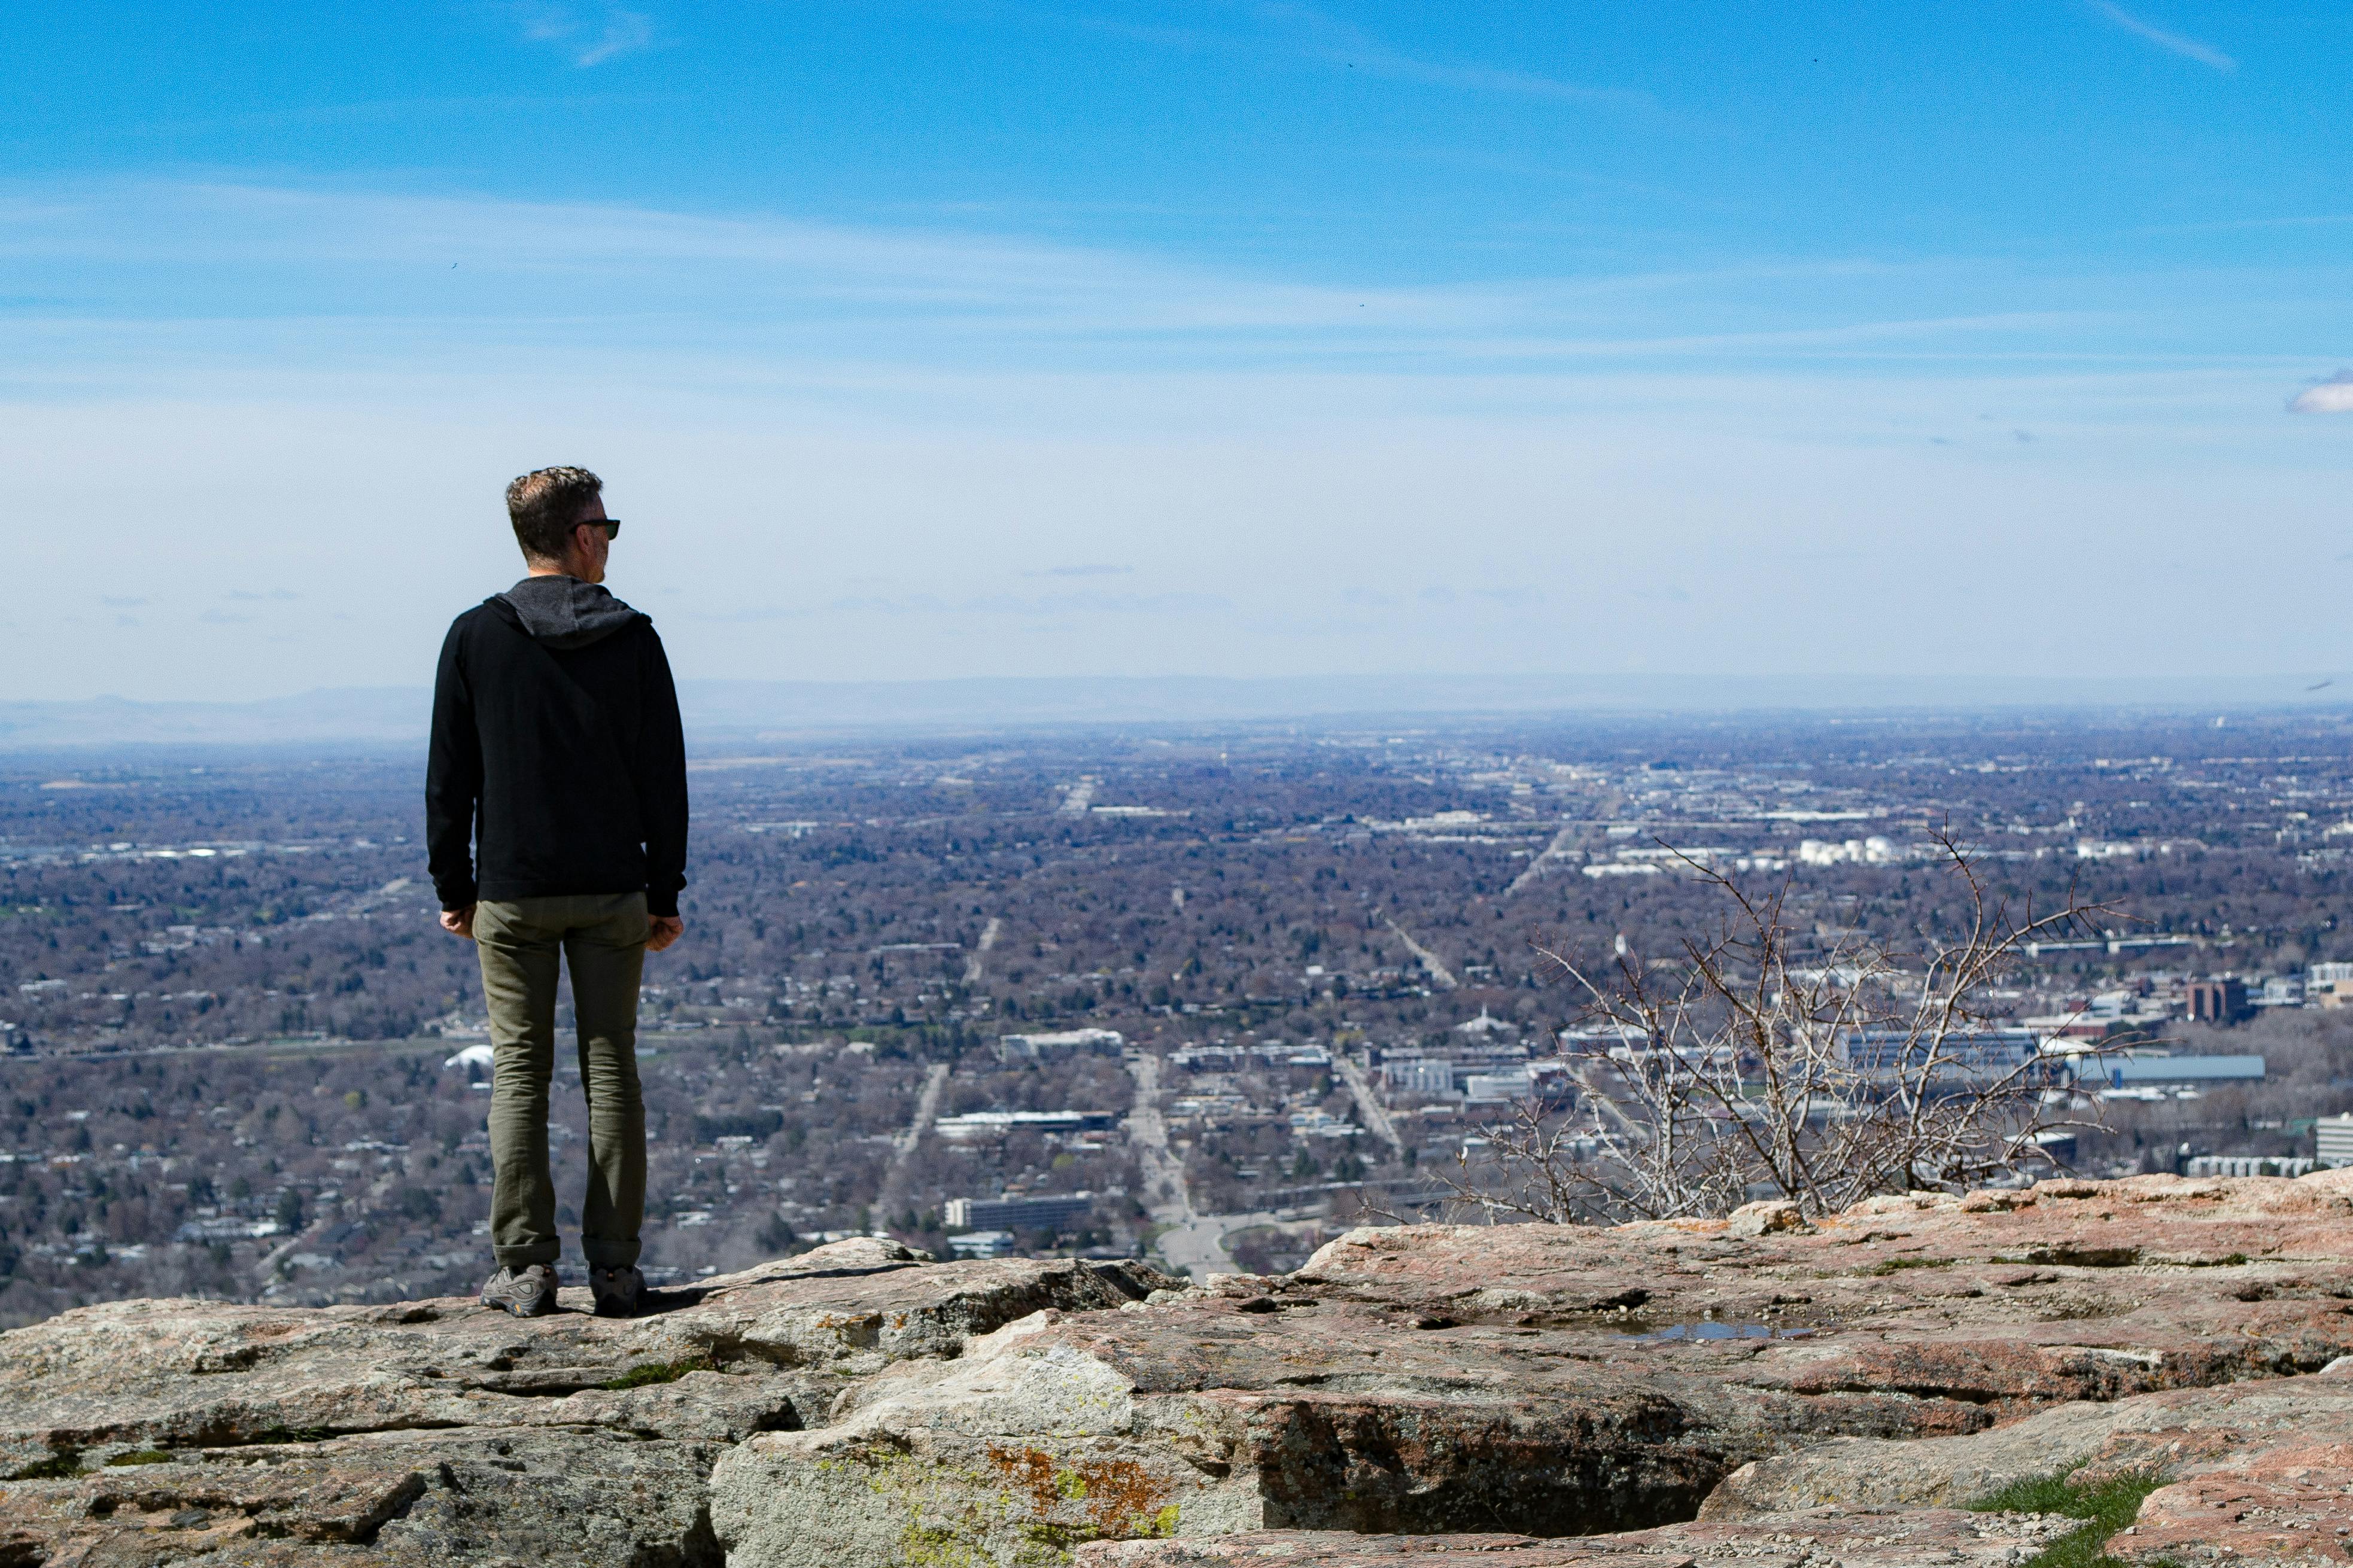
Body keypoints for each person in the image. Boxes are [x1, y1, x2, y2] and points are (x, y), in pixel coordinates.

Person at [426, 465, 688, 1319]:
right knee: (610, 1068)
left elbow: (449, 779)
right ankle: (615, 1268)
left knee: (520, 1072)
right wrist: (663, 887)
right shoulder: (635, 637)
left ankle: (526, 1268)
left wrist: (455, 886)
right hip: (614, 889)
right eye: (605, 526)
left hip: (513, 892)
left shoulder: (474, 637)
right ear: (581, 536)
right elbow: (665, 777)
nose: (608, 540)